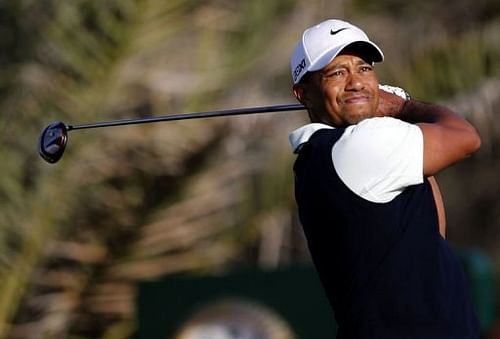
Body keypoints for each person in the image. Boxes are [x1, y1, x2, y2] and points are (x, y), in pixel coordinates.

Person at [289, 19, 481, 338]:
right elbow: (466, 138)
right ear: (304, 94)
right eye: (337, 73)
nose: (356, 83)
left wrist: (398, 121)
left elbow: (432, 235)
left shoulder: (323, 156)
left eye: (364, 69)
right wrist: (405, 106)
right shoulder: (353, 147)